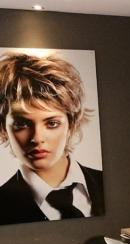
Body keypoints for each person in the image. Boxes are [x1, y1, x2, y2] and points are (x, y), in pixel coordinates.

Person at [0, 52, 103, 225]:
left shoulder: (108, 184)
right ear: (4, 128)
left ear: (71, 124)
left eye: (52, 123)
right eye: (21, 124)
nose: (37, 138)